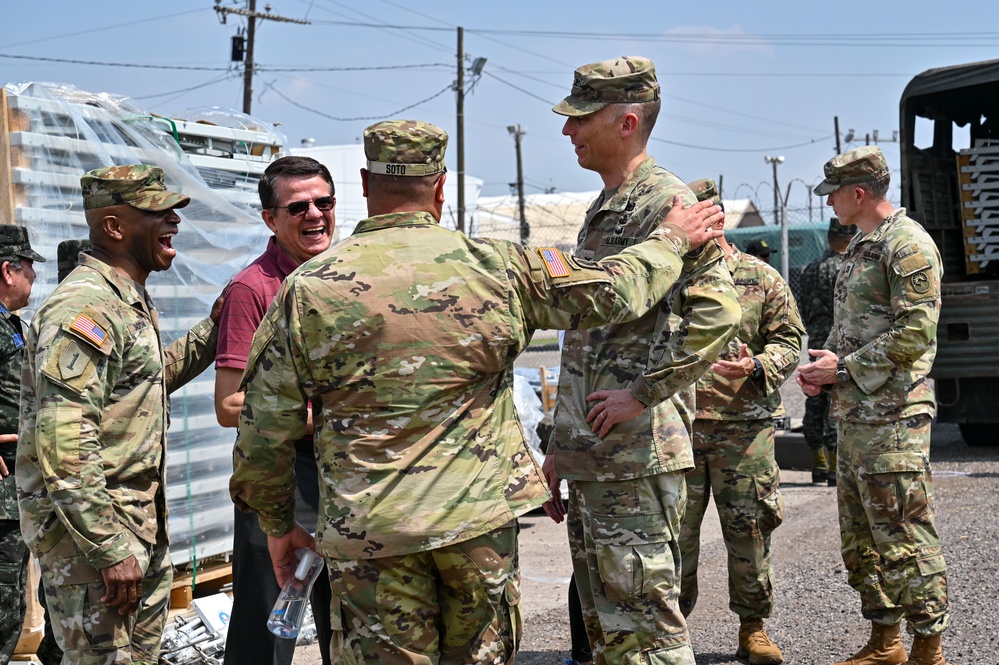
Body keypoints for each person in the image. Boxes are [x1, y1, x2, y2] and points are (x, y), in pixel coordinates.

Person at [229, 118, 726, 664]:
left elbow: (260, 432)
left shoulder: (306, 290)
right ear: (440, 186)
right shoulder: (499, 268)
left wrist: (279, 528)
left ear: (366, 185)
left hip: (371, 536)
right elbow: (613, 292)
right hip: (477, 528)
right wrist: (673, 237)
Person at [544, 56, 741, 665]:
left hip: (636, 452)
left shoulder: (666, 204)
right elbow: (590, 339)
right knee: (608, 636)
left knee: (646, 636)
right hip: (597, 455)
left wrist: (644, 393)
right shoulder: (610, 204)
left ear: (626, 122)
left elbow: (719, 314)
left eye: (581, 119)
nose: (567, 132)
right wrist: (562, 444)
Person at [17, 165, 221, 665]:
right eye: (157, 211)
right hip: (96, 541)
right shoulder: (84, 307)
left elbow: (142, 385)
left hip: (137, 527)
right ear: (113, 226)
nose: (173, 220)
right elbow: (64, 443)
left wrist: (219, 326)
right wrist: (109, 548)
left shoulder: (125, 300)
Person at [798, 146, 949, 665]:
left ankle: (930, 646)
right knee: (863, 537)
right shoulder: (860, 247)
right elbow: (859, 329)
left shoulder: (906, 245)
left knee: (904, 531)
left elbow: (914, 332)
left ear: (857, 193)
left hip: (894, 418)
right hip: (857, 415)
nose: (830, 205)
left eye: (834, 194)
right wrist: (829, 364)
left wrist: (842, 369)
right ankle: (886, 643)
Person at [215, 156, 335, 665]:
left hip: (347, 471)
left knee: (349, 617)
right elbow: (228, 403)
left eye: (323, 202)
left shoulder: (346, 278)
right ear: (270, 219)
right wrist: (327, 415)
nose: (315, 215)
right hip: (280, 472)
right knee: (268, 621)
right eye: (298, 207)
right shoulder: (255, 288)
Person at [678, 178, 803, 665]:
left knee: (749, 530)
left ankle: (753, 628)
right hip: (679, 432)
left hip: (743, 430)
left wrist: (756, 366)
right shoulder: (668, 280)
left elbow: (789, 340)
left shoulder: (759, 277)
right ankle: (670, 633)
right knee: (672, 537)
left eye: (700, 218)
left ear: (719, 220)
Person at [0, 226, 45, 665]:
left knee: (11, 605)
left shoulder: (13, 325)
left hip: (18, 486)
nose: (34, 275)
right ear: (7, 270)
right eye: (29, 266)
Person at [796, 217, 856, 486]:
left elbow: (802, 307)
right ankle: (834, 467)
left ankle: (817, 464)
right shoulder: (847, 267)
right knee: (835, 400)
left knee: (814, 399)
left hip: (815, 339)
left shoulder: (809, 269)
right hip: (838, 340)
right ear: (848, 238)